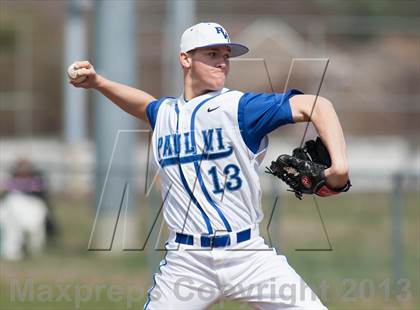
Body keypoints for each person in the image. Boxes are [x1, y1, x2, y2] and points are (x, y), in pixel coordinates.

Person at [70, 22, 349, 309]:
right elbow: (144, 105)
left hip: (247, 255)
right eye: (212, 54)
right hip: (186, 262)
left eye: (226, 55)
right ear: (185, 58)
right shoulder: (165, 114)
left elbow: (318, 105)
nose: (223, 63)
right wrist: (98, 83)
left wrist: (339, 167)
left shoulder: (239, 108)